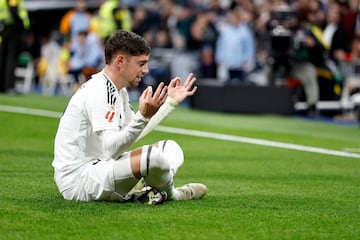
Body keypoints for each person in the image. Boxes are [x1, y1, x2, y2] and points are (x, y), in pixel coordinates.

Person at [52, 30, 207, 203]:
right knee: (152, 157)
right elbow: (113, 149)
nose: (146, 70)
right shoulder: (99, 91)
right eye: (141, 63)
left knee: (170, 147)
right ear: (120, 61)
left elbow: (132, 134)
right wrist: (142, 116)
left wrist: (169, 103)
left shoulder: (118, 91)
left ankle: (148, 190)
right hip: (79, 180)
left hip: (101, 167)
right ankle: (174, 194)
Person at [0, 0, 30, 93]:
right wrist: (21, 26)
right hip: (11, 29)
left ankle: (3, 86)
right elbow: (13, 9)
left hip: (3, 28)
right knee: (10, 59)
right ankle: (9, 86)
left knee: (3, 58)